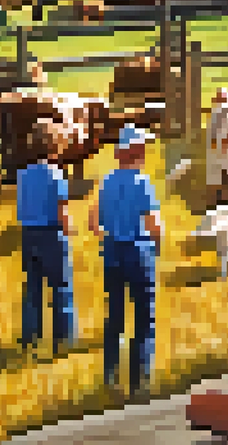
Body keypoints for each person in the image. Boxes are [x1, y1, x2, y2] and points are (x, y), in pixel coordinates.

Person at [88, 125, 163, 397]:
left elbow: (93, 220)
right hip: (138, 254)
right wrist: (158, 244)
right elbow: (153, 224)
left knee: (115, 316)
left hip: (112, 253)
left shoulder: (107, 181)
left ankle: (110, 376)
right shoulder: (143, 183)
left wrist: (105, 236)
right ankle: (139, 381)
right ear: (138, 152)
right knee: (144, 319)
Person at [17, 118, 77, 358]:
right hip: (52, 234)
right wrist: (70, 229)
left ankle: (31, 335)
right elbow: (62, 211)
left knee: (33, 288)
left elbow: (21, 208)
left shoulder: (23, 175)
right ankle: (64, 337)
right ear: (56, 147)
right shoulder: (57, 176)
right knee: (61, 286)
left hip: (29, 234)